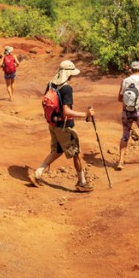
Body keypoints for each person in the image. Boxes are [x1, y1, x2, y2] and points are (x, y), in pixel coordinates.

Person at [27, 60, 96, 192]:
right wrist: (85, 114)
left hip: (53, 124)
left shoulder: (51, 84)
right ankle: (82, 182)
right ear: (69, 73)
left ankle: (37, 174)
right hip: (65, 126)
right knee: (75, 153)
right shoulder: (66, 88)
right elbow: (67, 111)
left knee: (57, 151)